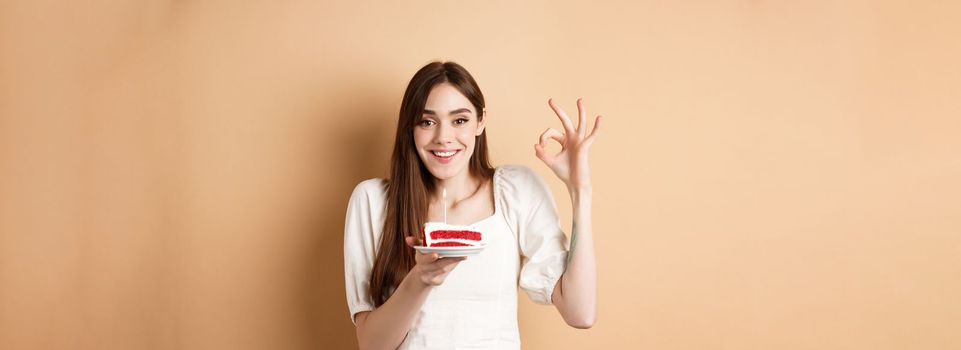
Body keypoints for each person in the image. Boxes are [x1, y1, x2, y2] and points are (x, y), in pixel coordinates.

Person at [343, 61, 601, 349]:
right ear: (410, 128)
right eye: (427, 122)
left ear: (480, 121)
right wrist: (420, 279)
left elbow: (581, 313)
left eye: (460, 120)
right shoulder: (373, 202)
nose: (443, 137)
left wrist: (580, 191)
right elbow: (371, 345)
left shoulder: (516, 191)